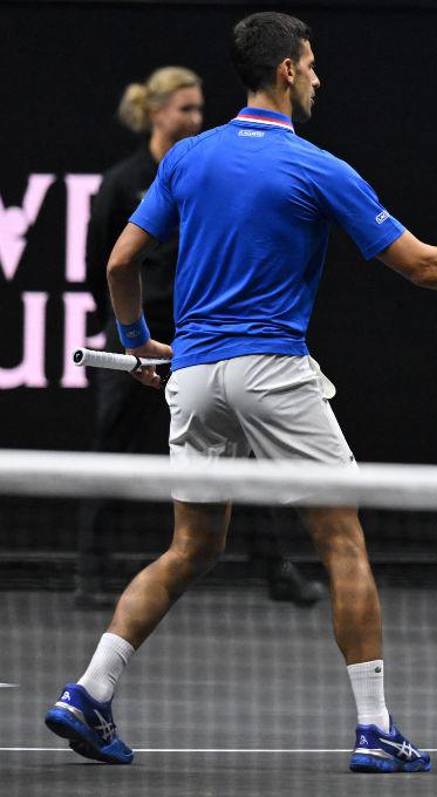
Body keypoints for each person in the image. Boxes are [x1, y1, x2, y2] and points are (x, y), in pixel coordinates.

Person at [44, 11, 437, 774]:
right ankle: (375, 729)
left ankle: (89, 690)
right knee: (341, 541)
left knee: (189, 546)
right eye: (310, 64)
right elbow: (420, 265)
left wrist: (136, 339)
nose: (317, 76)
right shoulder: (317, 167)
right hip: (274, 371)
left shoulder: (184, 159)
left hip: (198, 376)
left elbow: (120, 263)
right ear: (285, 72)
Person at [77, 66, 326, 610]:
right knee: (111, 453)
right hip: (138, 334)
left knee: (243, 453)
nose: (195, 118)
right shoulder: (125, 181)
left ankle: (275, 569)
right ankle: (91, 574)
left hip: (201, 336)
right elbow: (108, 262)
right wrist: (128, 339)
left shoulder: (208, 169)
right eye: (185, 109)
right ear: (155, 112)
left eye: (198, 108)